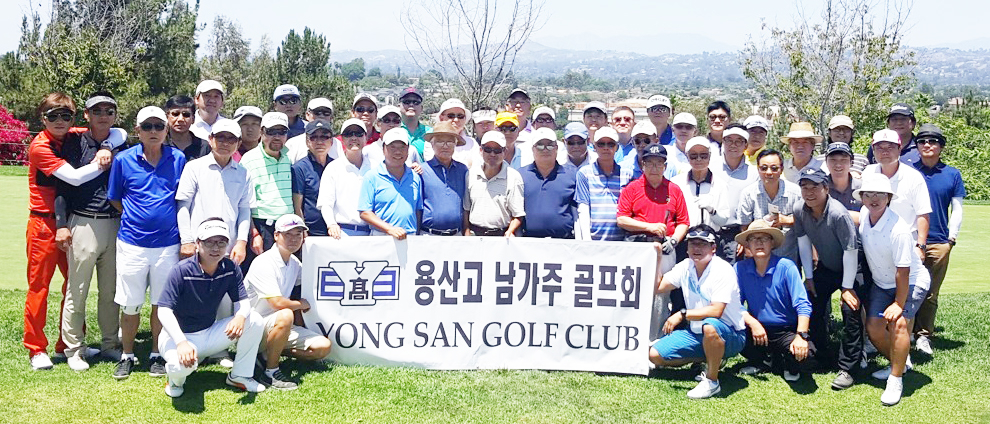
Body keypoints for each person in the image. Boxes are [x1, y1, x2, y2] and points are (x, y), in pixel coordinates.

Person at [107, 106, 187, 379]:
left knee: (161, 305)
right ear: (137, 130)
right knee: (130, 304)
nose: (154, 131)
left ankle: (156, 353)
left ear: (166, 130)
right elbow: (116, 198)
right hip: (132, 243)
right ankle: (127, 354)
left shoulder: (178, 158)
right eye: (148, 127)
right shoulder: (123, 160)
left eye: (159, 126)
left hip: (168, 245)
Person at [53, 92, 128, 370]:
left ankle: (110, 344)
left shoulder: (121, 143)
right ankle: (74, 348)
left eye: (109, 110)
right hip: (83, 221)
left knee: (111, 290)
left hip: (114, 222)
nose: (103, 115)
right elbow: (62, 187)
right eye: (97, 111)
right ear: (86, 115)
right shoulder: (73, 142)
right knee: (78, 289)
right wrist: (61, 224)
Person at [157, 219, 266, 397]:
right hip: (177, 338)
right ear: (198, 244)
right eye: (209, 242)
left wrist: (240, 317)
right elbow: (164, 310)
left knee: (254, 320)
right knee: (180, 366)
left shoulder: (230, 268)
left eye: (221, 242)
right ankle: (175, 380)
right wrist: (181, 342)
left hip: (209, 333)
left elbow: (243, 303)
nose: (216, 248)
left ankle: (240, 375)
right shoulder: (181, 270)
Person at [855, 173, 931, 406]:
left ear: (888, 197)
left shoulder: (897, 229)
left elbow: (903, 272)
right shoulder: (867, 214)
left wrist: (898, 304)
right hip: (883, 283)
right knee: (874, 328)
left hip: (911, 282)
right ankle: (900, 361)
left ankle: (895, 378)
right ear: (863, 198)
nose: (874, 198)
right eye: (868, 194)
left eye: (880, 194)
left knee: (898, 324)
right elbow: (854, 217)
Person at [649, 225, 747, 400]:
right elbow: (658, 287)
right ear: (686, 248)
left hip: (731, 334)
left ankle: (712, 381)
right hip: (696, 332)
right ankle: (710, 360)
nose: (697, 249)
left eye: (703, 244)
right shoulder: (685, 266)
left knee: (710, 326)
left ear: (713, 248)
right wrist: (657, 257)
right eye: (693, 244)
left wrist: (682, 314)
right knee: (655, 355)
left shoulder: (722, 269)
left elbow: (716, 311)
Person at [793, 168, 865, 389]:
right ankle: (821, 356)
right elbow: (803, 242)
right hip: (827, 266)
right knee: (812, 302)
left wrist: (847, 288)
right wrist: (810, 277)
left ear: (826, 188)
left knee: (850, 310)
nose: (809, 191)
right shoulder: (799, 209)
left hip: (854, 267)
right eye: (805, 186)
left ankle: (849, 367)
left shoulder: (838, 213)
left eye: (815, 186)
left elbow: (851, 251)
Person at [245, 214, 332, 390]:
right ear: (276, 236)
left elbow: (309, 283)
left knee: (323, 347)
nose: (293, 239)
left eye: (298, 234)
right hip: (252, 329)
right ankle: (271, 372)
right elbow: (277, 303)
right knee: (285, 314)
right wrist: (301, 304)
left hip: (278, 327)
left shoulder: (294, 262)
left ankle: (266, 354)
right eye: (288, 234)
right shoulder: (263, 262)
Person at [617, 143, 689, 337]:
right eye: (650, 163)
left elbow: (683, 222)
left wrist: (674, 241)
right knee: (635, 293)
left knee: (661, 296)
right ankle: (633, 336)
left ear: (665, 166)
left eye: (659, 163)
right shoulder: (632, 188)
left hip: (665, 248)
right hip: (639, 247)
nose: (655, 167)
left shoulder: (674, 189)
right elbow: (622, 219)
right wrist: (648, 227)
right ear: (643, 165)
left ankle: (655, 339)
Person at [734, 220, 814, 381]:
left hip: (785, 329)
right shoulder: (740, 268)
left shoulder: (787, 267)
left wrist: (801, 336)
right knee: (731, 332)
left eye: (764, 238)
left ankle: (778, 359)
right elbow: (734, 304)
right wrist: (754, 323)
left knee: (807, 356)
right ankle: (763, 361)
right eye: (753, 239)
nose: (759, 243)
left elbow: (803, 304)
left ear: (772, 243)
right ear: (748, 245)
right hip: (756, 329)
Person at [911, 124, 966, 355]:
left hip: (939, 241)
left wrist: (951, 239)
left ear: (941, 147)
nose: (927, 145)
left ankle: (924, 336)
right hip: (911, 240)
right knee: (906, 289)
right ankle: (904, 332)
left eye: (933, 141)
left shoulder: (952, 174)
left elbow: (957, 208)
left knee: (930, 293)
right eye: (922, 141)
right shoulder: (909, 171)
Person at [176, 120, 251, 264]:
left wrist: (241, 243)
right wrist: (186, 240)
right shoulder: (193, 167)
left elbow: (244, 210)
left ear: (239, 143)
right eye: (220, 137)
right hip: (198, 248)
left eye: (231, 139)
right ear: (210, 140)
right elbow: (183, 207)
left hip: (229, 249)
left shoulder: (243, 173)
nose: (225, 143)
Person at [862, 129, 932, 253]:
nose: (885, 152)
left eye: (890, 147)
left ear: (899, 149)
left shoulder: (913, 177)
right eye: (879, 148)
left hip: (906, 241)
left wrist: (921, 246)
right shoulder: (867, 172)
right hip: (872, 243)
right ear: (873, 151)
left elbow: (922, 214)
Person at [737, 149, 803, 265]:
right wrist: (749, 253)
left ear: (781, 169)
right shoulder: (748, 194)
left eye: (774, 168)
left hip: (787, 257)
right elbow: (744, 226)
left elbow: (806, 220)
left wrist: (787, 220)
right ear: (758, 169)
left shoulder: (796, 192)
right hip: (757, 259)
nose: (768, 172)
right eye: (763, 168)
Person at [242, 112, 294, 256]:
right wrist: (254, 234)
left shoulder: (290, 157)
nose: (277, 137)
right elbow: (244, 203)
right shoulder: (249, 160)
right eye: (271, 132)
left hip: (288, 226)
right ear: (261, 132)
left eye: (282, 132)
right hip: (263, 227)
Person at [358, 128, 424, 238]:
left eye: (402, 147)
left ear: (408, 150)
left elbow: (417, 211)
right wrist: (389, 229)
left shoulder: (415, 177)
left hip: (410, 237)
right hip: (381, 237)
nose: (398, 152)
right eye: (392, 147)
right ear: (383, 149)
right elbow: (364, 212)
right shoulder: (372, 176)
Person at [318, 119, 374, 238]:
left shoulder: (376, 167)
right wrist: (331, 224)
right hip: (342, 233)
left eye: (358, 134)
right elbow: (325, 203)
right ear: (342, 139)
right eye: (349, 134)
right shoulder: (333, 168)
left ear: (366, 137)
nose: (354, 138)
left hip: (373, 234)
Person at [463, 131, 525, 237]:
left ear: (504, 152)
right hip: (475, 236)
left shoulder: (514, 177)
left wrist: (510, 231)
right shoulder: (471, 174)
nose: (492, 154)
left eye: (497, 150)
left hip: (501, 236)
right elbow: (466, 210)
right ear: (481, 150)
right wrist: (466, 232)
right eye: (488, 149)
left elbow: (518, 214)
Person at [671, 138, 729, 245]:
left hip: (711, 239)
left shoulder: (720, 184)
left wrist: (712, 211)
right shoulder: (676, 183)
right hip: (684, 240)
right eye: (693, 156)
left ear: (709, 156)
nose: (698, 159)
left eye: (703, 155)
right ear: (687, 156)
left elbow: (723, 221)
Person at [521, 128, 577, 238]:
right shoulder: (520, 176)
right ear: (533, 149)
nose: (545, 150)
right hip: (527, 243)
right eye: (540, 145)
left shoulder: (572, 176)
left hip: (564, 242)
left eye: (550, 145)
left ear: (556, 148)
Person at [716, 124, 758, 262]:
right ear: (723, 142)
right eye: (728, 140)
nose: (733, 145)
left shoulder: (754, 173)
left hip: (738, 235)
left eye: (738, 141)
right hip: (712, 232)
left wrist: (745, 237)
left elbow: (755, 209)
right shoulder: (710, 168)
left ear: (746, 145)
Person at [574, 127, 625, 241]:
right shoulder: (584, 173)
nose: (606, 148)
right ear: (594, 146)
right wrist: (587, 240)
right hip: (593, 241)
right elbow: (583, 207)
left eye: (610, 144)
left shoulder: (627, 174)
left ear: (617, 147)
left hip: (622, 242)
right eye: (601, 144)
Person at [419, 121, 469, 236]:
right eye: (440, 141)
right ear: (432, 145)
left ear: (455, 145)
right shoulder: (422, 171)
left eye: (450, 142)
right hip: (428, 235)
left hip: (456, 235)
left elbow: (466, 205)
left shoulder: (462, 170)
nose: (445, 146)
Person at [291, 120, 334, 237]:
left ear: (332, 141)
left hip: (336, 230)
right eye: (314, 137)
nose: (319, 142)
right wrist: (303, 230)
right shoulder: (299, 168)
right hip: (312, 232)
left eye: (324, 137)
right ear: (307, 142)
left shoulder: (337, 166)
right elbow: (297, 206)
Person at [425, 98, 479, 167]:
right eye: (451, 116)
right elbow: (434, 164)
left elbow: (477, 166)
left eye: (460, 116)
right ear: (441, 118)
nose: (456, 120)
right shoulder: (431, 141)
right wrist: (467, 163)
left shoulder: (472, 143)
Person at [285, 98, 338, 163]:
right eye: (317, 112)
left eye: (326, 113)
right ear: (307, 115)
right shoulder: (293, 144)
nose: (321, 116)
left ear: (331, 117)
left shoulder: (337, 144)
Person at [823, 142, 863, 222]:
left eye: (843, 160)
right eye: (833, 160)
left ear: (851, 163)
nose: (838, 165)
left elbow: (871, 217)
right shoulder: (819, 188)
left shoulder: (862, 188)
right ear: (826, 162)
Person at [164, 95, 211, 162]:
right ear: (167, 117)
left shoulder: (204, 147)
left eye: (186, 115)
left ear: (193, 119)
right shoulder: (159, 145)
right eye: (175, 114)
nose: (180, 119)